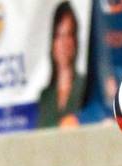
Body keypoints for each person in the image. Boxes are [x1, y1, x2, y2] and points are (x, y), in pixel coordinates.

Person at [37, 1, 87, 129]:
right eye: (59, 36)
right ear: (53, 43)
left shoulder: (85, 87)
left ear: (75, 40)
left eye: (69, 34)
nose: (64, 43)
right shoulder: (45, 97)